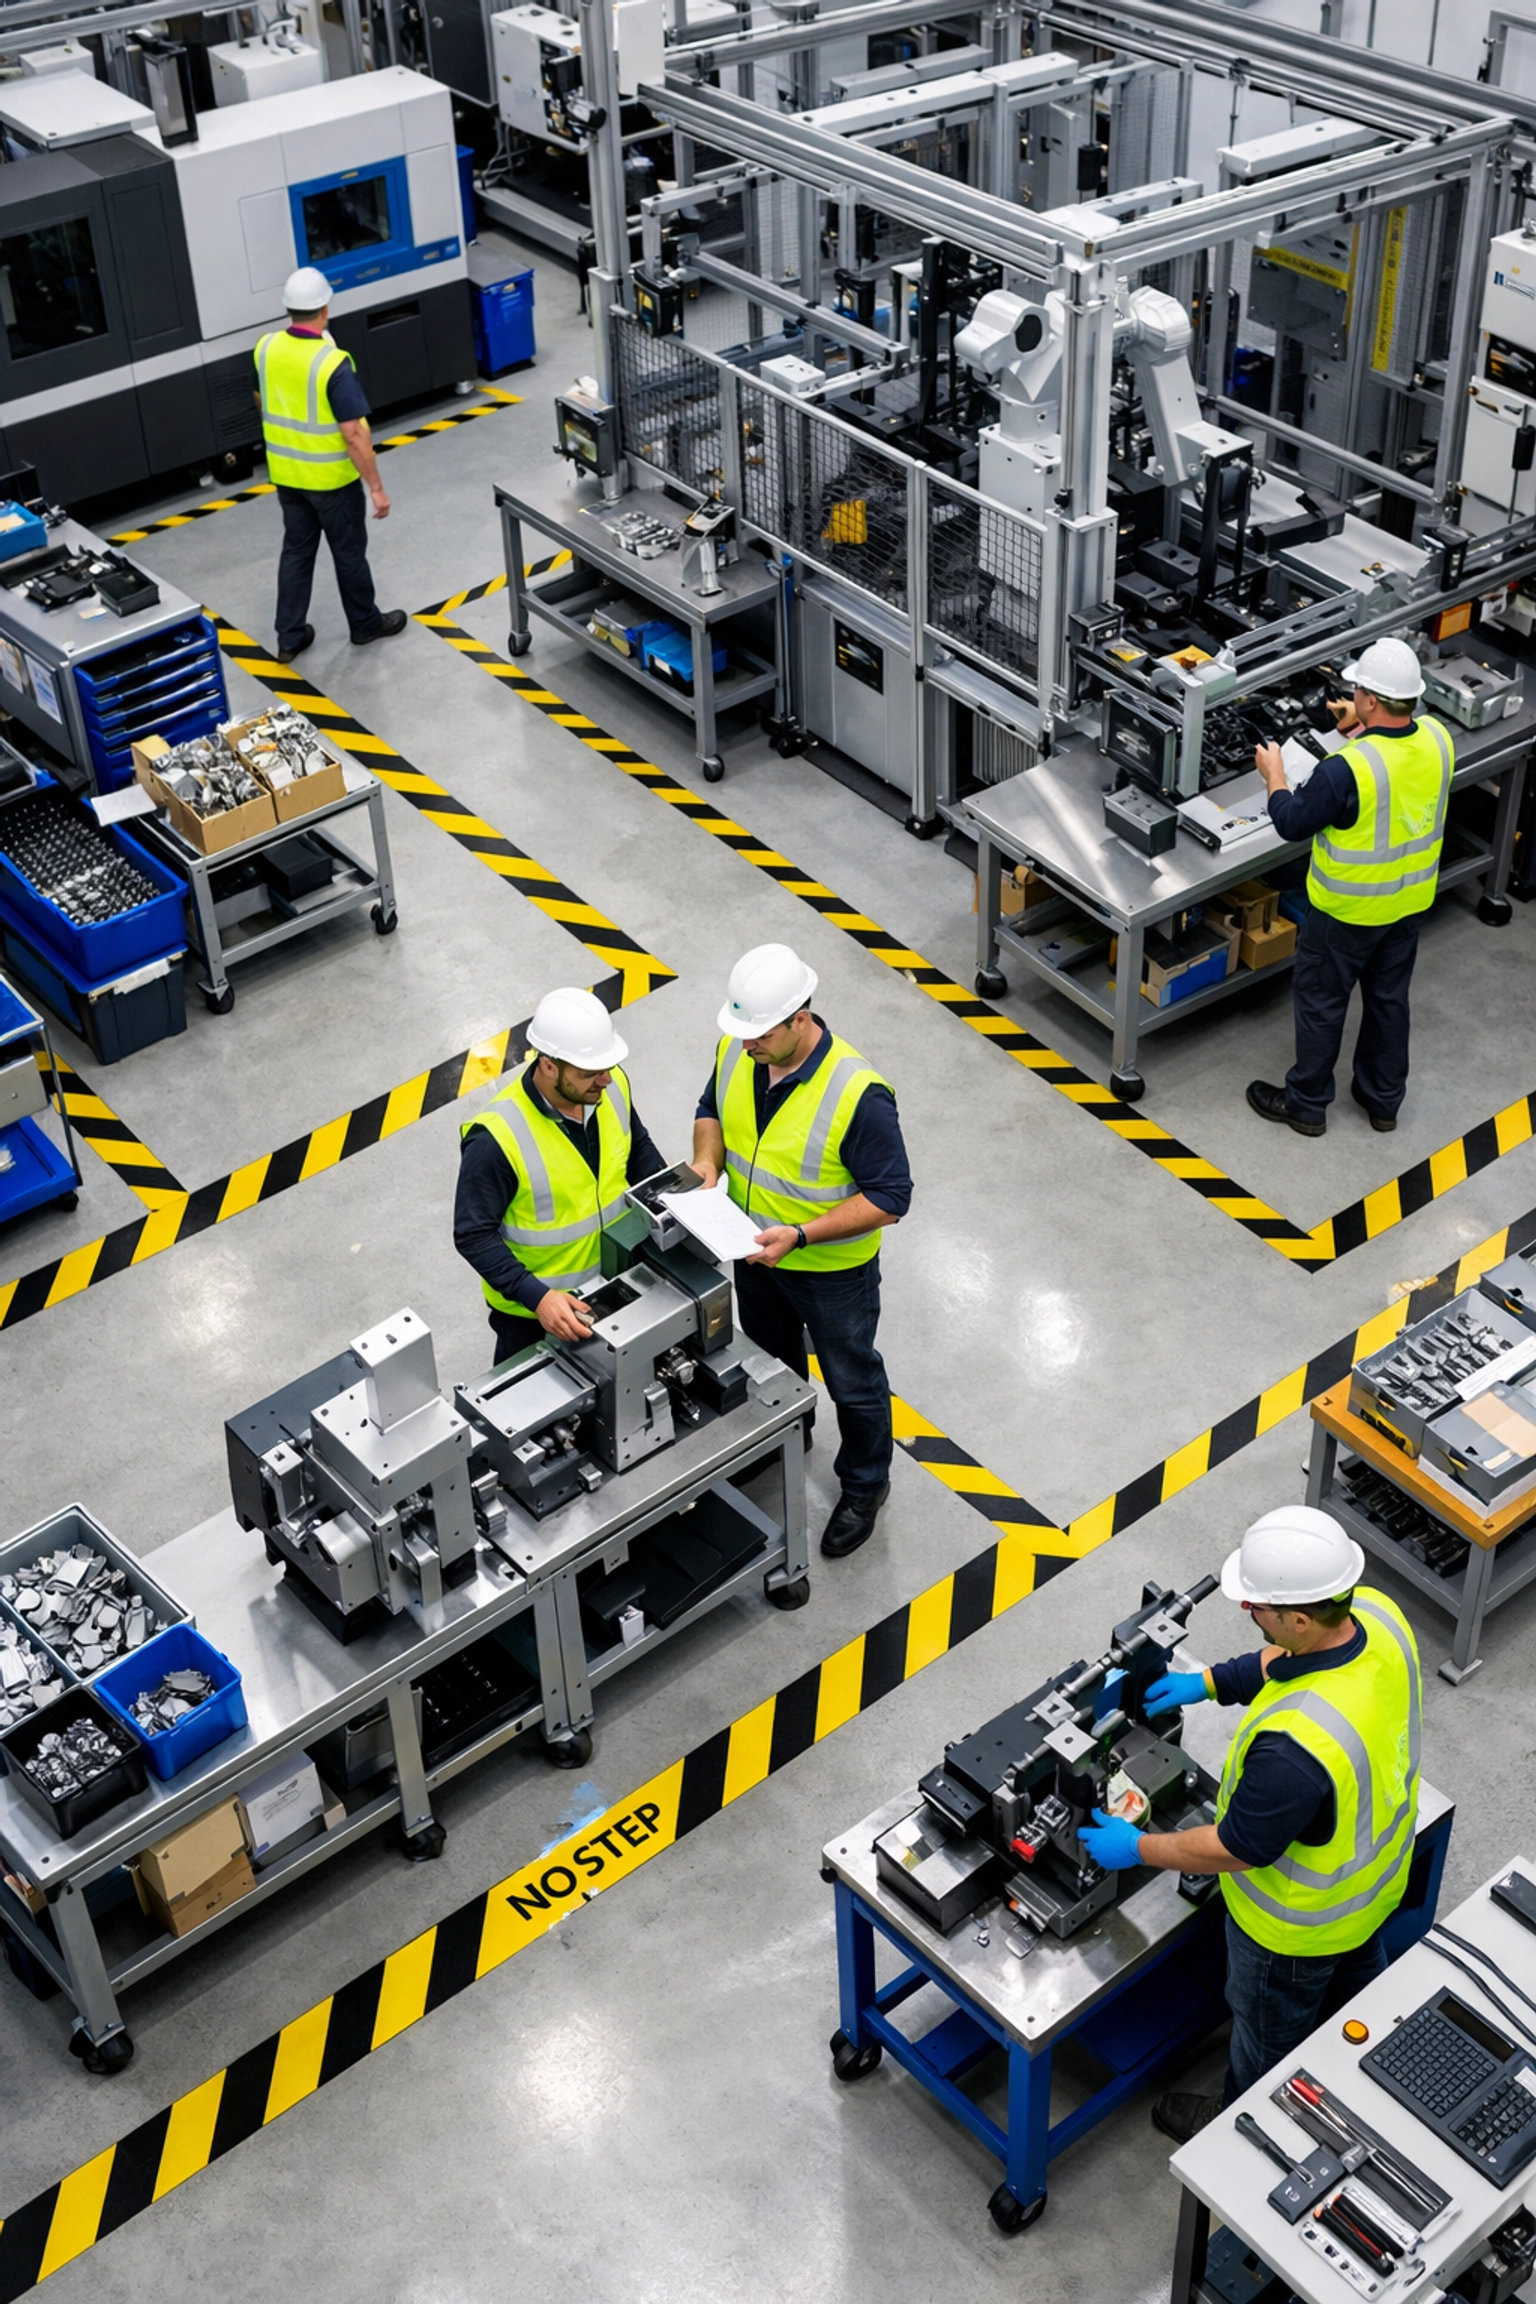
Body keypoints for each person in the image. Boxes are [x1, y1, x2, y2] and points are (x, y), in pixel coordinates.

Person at [1078, 1505, 1420, 2143]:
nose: (1247, 1615)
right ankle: (1359, 2087)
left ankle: (1245, 2126)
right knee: (1356, 2010)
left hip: (1291, 1931)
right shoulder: (1375, 1614)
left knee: (1267, 2042)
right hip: (1372, 1888)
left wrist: (1140, 1846)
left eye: (1258, 1608)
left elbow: (1235, 1847)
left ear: (1296, 1616)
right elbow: (1288, 1659)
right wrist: (1206, 1682)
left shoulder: (1296, 1747)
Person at [691, 944, 912, 1559]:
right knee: (772, 1362)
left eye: (759, 1034)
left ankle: (866, 1485)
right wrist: (708, 1164)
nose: (745, 1047)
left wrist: (803, 1235)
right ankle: (788, 1437)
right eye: (740, 1034)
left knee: (852, 1379)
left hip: (829, 1273)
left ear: (800, 1018)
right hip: (754, 1253)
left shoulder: (858, 1092)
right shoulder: (738, 1051)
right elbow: (711, 1109)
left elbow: (892, 1197)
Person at [1246, 634, 1453, 1138]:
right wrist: (1359, 729)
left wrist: (1273, 774)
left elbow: (1293, 821)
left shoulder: (1345, 770)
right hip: (1407, 904)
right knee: (1388, 999)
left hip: (1346, 913)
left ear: (1372, 701)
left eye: (1359, 690)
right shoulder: (1438, 738)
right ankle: (1382, 1101)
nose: (1352, 694)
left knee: (1321, 1002)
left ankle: (1307, 1104)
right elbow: (1398, 770)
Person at [454, 987, 666, 1362]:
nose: (605, 1080)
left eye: (606, 1068)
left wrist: (672, 1201)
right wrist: (538, 1298)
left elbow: (638, 1149)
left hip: (617, 1283)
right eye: (590, 1073)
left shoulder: (608, 1088)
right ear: (548, 1065)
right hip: (536, 1314)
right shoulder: (496, 1139)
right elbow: (473, 1235)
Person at [255, 266, 408, 664]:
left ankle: (289, 638)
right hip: (331, 481)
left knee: (297, 552)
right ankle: (365, 624)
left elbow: (262, 399)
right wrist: (376, 487)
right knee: (348, 551)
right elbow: (353, 433)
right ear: (324, 308)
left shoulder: (266, 348)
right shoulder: (331, 362)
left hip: (287, 476)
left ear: (289, 309)